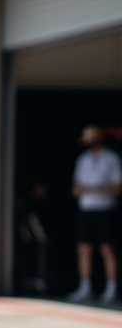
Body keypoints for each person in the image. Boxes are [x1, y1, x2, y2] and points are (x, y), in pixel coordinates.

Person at [67, 125, 120, 304]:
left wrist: (94, 189)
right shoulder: (83, 159)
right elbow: (75, 188)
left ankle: (111, 289)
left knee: (107, 249)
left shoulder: (111, 158)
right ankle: (85, 287)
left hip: (105, 208)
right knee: (83, 249)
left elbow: (118, 186)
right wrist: (82, 190)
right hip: (86, 208)